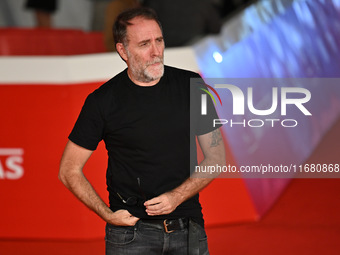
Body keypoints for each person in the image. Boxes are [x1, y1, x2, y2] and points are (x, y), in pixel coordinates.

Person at [59, 7, 225, 255]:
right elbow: (68, 170)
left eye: (159, 40)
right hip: (130, 236)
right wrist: (107, 214)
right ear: (123, 51)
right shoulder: (102, 101)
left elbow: (216, 158)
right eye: (144, 44)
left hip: (187, 229)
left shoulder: (194, 87)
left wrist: (176, 197)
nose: (156, 51)